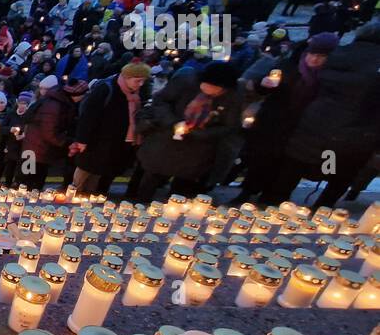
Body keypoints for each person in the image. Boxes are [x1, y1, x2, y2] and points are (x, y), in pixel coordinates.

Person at [263, 22, 380, 208]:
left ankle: (273, 203)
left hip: (316, 120)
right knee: (339, 173)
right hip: (356, 132)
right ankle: (320, 212)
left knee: (295, 164)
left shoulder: (340, 53)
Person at [233, 32, 338, 204]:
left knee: (285, 165)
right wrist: (263, 84)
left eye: (321, 56)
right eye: (312, 54)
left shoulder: (329, 78)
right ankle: (247, 192)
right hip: (273, 123)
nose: (314, 59)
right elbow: (262, 88)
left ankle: (271, 197)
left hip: (301, 128)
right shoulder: (288, 66)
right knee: (260, 160)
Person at [133, 62, 242, 201]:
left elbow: (229, 126)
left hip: (197, 149)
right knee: (153, 176)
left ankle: (172, 211)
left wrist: (197, 133)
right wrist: (173, 122)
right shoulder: (186, 81)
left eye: (216, 88)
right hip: (165, 140)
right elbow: (161, 101)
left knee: (182, 185)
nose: (210, 90)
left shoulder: (232, 97)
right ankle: (140, 205)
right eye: (208, 85)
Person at [69, 62, 150, 195]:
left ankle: (89, 199)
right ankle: (74, 198)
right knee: (85, 171)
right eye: (138, 81)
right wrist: (82, 140)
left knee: (98, 173)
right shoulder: (106, 88)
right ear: (127, 77)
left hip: (116, 143)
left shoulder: (136, 94)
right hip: (96, 141)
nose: (140, 84)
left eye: (143, 81)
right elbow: (88, 116)